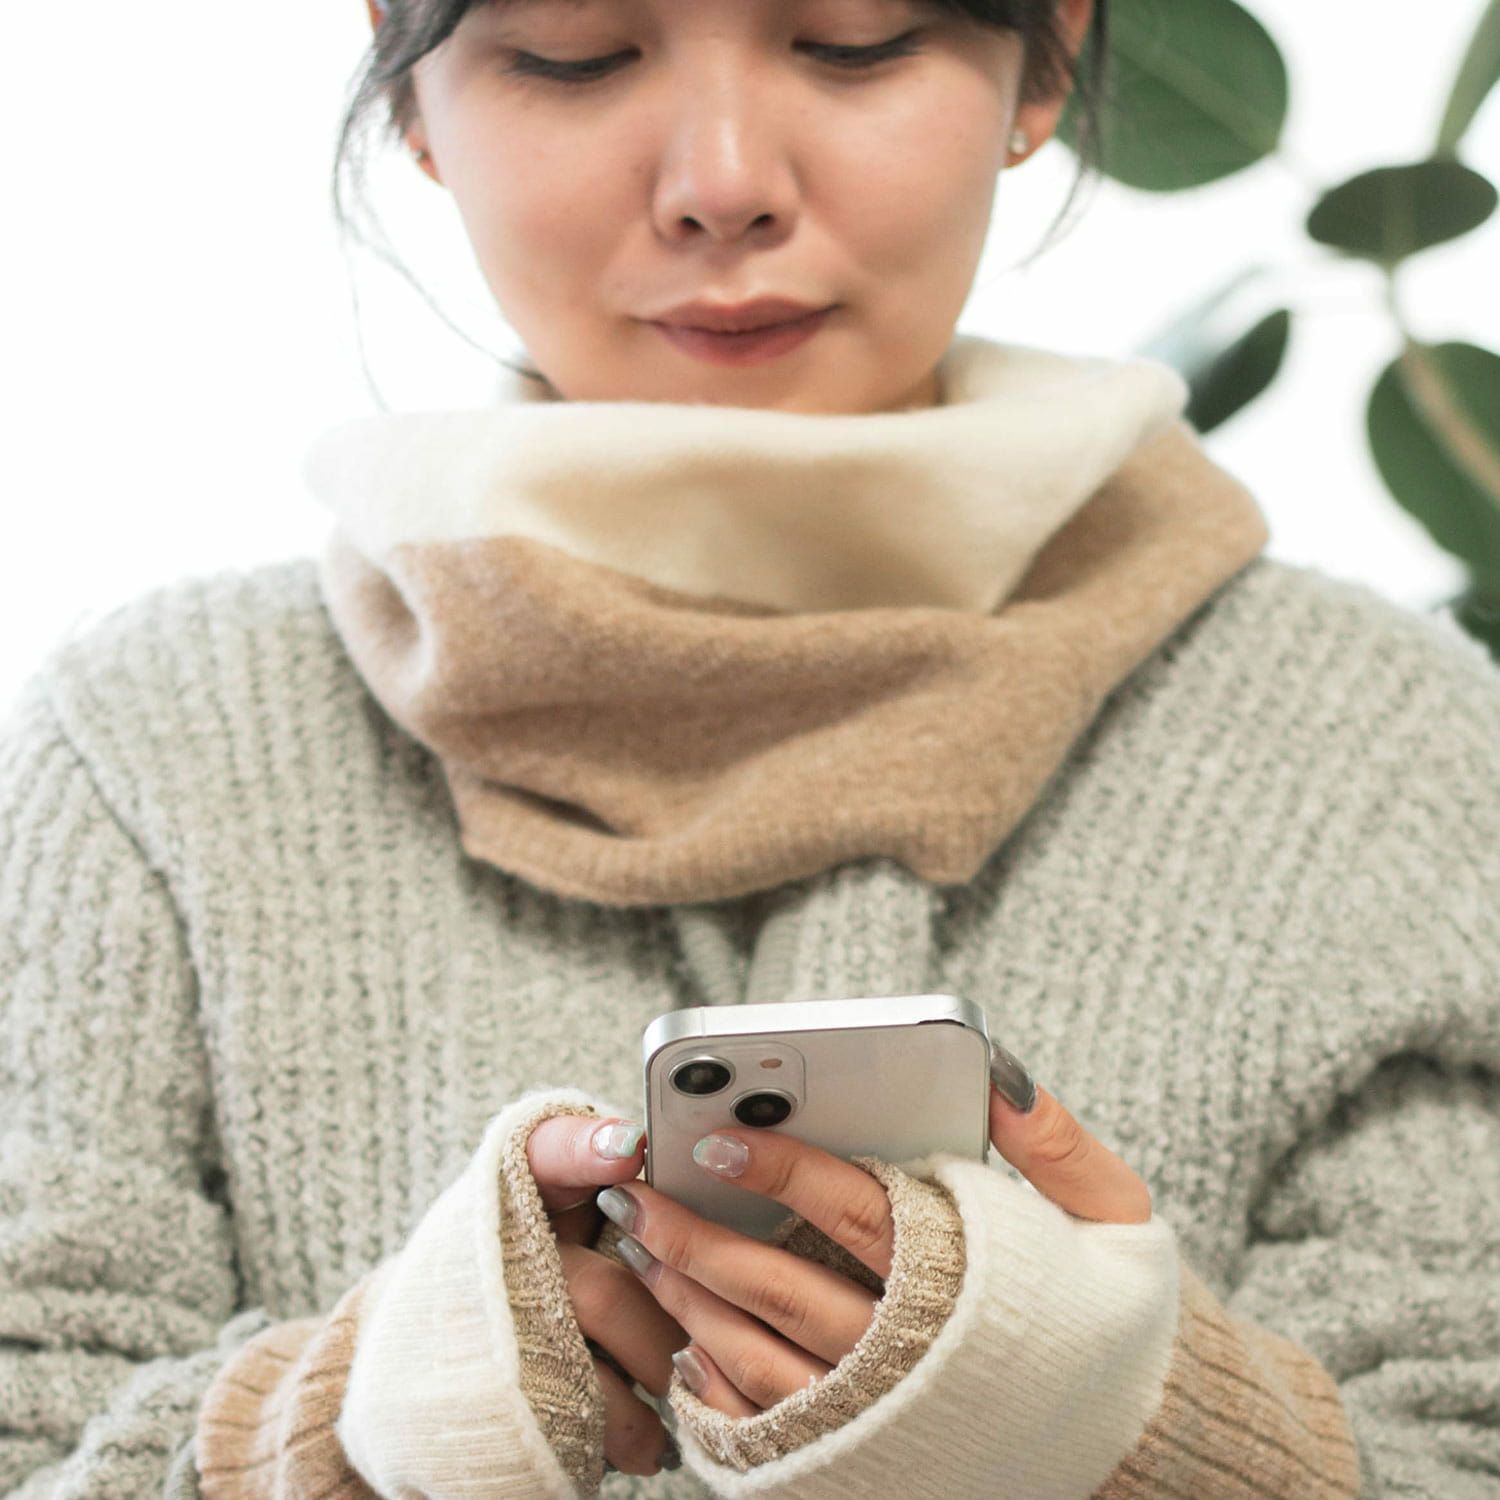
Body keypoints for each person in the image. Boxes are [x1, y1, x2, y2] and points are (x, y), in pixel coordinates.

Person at [2, 0, 1496, 1494]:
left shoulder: (1387, 748)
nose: (722, 183)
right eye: (576, 52)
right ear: (411, 91)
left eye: (855, 39)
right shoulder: (146, 749)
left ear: (1046, 53)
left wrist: (1153, 1437)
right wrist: (342, 1425)